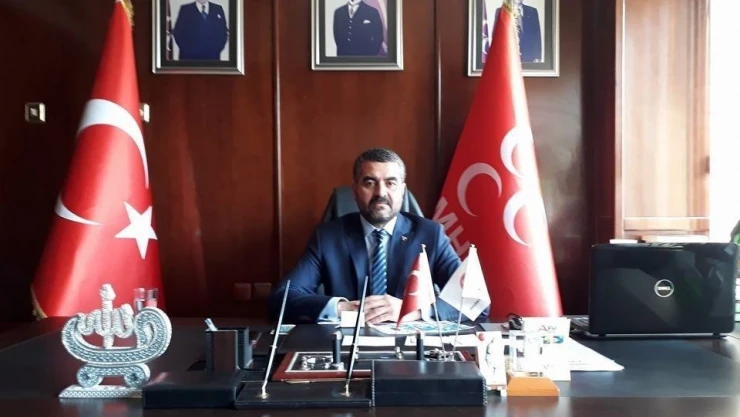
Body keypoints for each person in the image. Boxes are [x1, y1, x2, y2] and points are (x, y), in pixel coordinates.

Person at [268, 148, 487, 324]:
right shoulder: (327, 237)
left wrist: (411, 311)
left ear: (402, 191)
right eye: (369, 183)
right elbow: (282, 297)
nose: (381, 193)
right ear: (355, 191)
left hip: (410, 350)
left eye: (390, 183)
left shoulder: (430, 234)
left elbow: (475, 302)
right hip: (347, 348)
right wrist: (343, 308)